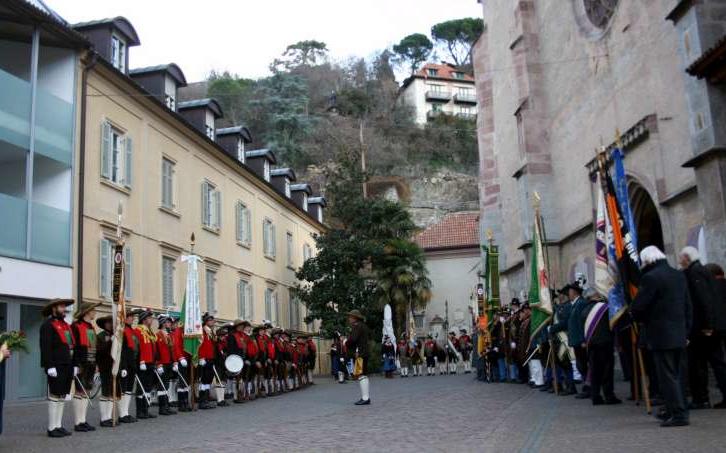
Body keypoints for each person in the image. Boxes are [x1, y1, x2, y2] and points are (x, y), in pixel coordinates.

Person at [631, 246, 692, 427]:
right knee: (678, 375)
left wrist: (640, 319)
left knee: (667, 377)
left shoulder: (651, 277)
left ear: (648, 260)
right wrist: (686, 330)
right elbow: (688, 305)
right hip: (679, 333)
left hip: (660, 334)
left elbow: (638, 307)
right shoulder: (678, 274)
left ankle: (678, 414)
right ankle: (675, 409)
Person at [679, 246, 726, 409]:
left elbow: (703, 300)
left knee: (700, 364)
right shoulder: (703, 271)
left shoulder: (695, 272)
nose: (680, 261)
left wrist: (707, 325)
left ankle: (701, 398)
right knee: (716, 362)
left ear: (687, 258)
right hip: (710, 326)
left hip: (704, 329)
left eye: (681, 258)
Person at [40, 298, 76, 437]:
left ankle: (58, 425)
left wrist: (74, 365)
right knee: (55, 394)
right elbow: (45, 347)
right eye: (61, 307)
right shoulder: (47, 325)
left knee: (62, 395)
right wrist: (49, 366)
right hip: (56, 365)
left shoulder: (66, 325)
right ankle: (51, 427)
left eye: (64, 307)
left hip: (67, 364)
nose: (64, 309)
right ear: (53, 308)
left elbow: (70, 346)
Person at [581, 288, 621, 405]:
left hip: (591, 345)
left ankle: (596, 396)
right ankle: (609, 396)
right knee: (607, 371)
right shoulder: (605, 308)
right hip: (605, 342)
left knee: (595, 371)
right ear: (596, 295)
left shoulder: (584, 310)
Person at [70, 301, 100, 432]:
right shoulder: (76, 326)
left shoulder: (91, 327)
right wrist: (75, 364)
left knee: (87, 390)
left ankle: (83, 420)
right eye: (93, 310)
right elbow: (73, 347)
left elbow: (95, 346)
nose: (95, 312)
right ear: (87, 311)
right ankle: (78, 422)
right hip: (81, 362)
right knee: (79, 390)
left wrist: (97, 363)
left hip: (91, 363)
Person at [566, 282, 589, 398]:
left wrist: (583, 339)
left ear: (574, 292)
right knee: (581, 365)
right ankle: (586, 385)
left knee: (583, 364)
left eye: (569, 291)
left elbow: (582, 323)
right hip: (576, 340)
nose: (568, 293)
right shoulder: (574, 304)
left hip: (580, 341)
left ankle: (588, 387)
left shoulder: (581, 303)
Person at [135, 309, 158, 420]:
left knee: (148, 387)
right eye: (149, 318)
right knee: (141, 388)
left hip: (150, 362)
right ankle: (140, 411)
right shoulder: (138, 331)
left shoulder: (150, 331)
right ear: (144, 320)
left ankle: (146, 409)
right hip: (143, 363)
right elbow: (138, 348)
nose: (151, 320)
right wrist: (141, 360)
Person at [118, 310, 139, 423]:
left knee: (129, 390)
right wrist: (123, 366)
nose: (132, 319)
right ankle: (122, 414)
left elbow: (135, 349)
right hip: (125, 365)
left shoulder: (131, 331)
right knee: (124, 389)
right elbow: (122, 351)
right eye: (129, 317)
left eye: (132, 317)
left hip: (132, 363)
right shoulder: (122, 330)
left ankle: (126, 412)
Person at [346, 310, 370, 405]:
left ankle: (365, 398)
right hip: (363, 353)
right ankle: (366, 397)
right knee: (363, 374)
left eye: (350, 317)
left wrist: (346, 342)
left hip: (360, 354)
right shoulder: (362, 326)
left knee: (361, 375)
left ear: (355, 318)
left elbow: (353, 339)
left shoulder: (357, 326)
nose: (349, 319)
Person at [95, 315, 115, 427]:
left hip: (114, 366)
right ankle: (104, 418)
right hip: (105, 366)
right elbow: (100, 351)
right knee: (105, 392)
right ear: (104, 324)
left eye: (111, 323)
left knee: (112, 393)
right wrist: (109, 342)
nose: (110, 325)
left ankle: (109, 417)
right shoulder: (100, 336)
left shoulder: (115, 336)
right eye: (108, 323)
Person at [155, 315, 177, 415]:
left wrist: (174, 362)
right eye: (167, 323)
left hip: (169, 362)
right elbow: (156, 351)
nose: (169, 324)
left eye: (170, 323)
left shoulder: (169, 334)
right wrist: (158, 364)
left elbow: (172, 350)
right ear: (163, 323)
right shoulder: (158, 335)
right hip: (162, 363)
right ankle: (162, 407)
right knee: (161, 386)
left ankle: (166, 406)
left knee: (166, 385)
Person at [170, 316, 192, 412]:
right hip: (181, 360)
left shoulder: (187, 331)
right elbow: (176, 347)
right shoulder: (178, 331)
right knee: (182, 382)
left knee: (186, 382)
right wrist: (180, 358)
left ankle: (186, 402)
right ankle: (181, 404)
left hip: (188, 359)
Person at [198, 312, 217, 409]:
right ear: (206, 322)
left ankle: (206, 399)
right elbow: (200, 345)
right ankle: (202, 401)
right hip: (204, 358)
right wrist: (201, 357)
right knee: (204, 380)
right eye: (210, 320)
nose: (212, 322)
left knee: (208, 380)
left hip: (210, 357)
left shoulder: (211, 331)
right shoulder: (202, 331)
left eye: (212, 320)